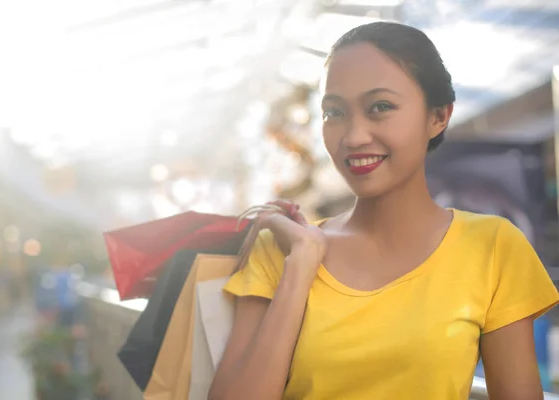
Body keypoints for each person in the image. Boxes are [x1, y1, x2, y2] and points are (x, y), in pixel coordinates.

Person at [209, 21, 559, 400]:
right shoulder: (281, 248)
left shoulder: (493, 247)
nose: (354, 136)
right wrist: (301, 265)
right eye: (334, 112)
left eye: (380, 107)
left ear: (438, 116)